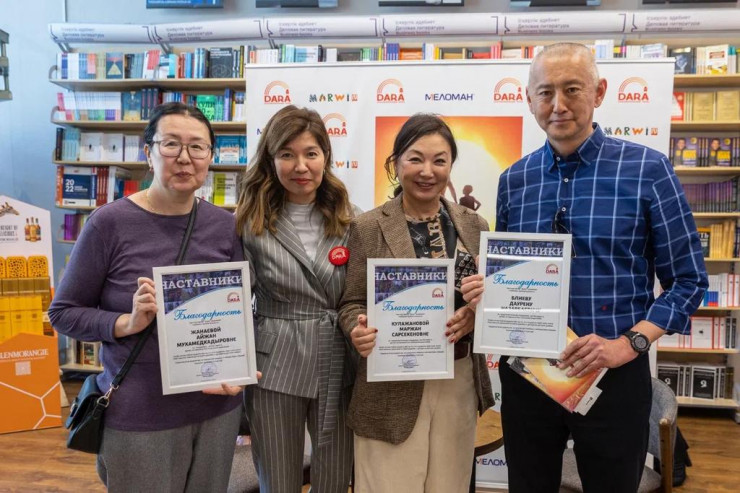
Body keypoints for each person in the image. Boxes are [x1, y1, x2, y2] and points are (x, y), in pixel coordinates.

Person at [462, 43, 707, 492]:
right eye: (545, 92)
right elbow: (510, 274)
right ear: (529, 99)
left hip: (615, 376)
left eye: (572, 89)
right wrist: (488, 291)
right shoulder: (515, 179)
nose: (558, 104)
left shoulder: (648, 170)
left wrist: (629, 343)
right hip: (530, 376)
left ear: (599, 92)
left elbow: (688, 281)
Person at [49, 102, 245, 492]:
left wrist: (238, 366)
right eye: (171, 144)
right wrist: (126, 322)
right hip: (141, 413)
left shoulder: (226, 226)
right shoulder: (108, 224)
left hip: (216, 409)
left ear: (210, 156)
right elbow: (64, 313)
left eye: (197, 147)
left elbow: (239, 308)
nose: (185, 158)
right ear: (148, 153)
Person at [338, 113, 494, 492]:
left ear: (450, 166)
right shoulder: (367, 227)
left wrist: (475, 313)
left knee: (449, 485)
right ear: (396, 163)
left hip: (458, 379)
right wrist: (357, 329)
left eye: (439, 160)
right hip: (391, 383)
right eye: (415, 158)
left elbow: (491, 299)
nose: (427, 171)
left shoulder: (475, 226)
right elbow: (351, 303)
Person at [235, 105, 356, 493]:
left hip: (338, 358)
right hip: (274, 363)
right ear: (271, 161)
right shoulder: (248, 221)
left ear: (326, 157)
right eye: (287, 154)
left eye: (310, 153)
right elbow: (233, 300)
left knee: (335, 477)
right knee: (277, 479)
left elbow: (363, 294)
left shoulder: (352, 218)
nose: (300, 166)